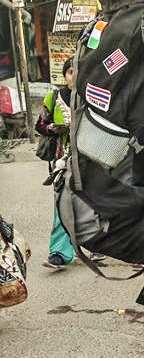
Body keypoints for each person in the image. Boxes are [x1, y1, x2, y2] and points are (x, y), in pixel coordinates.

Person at [38, 59, 75, 270]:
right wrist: (54, 128)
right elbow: (40, 125)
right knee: (62, 202)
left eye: (78, 71)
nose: (74, 75)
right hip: (61, 159)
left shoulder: (92, 96)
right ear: (65, 74)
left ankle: (97, 247)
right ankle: (59, 252)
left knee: (93, 200)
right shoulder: (53, 96)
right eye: (70, 71)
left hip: (89, 156)